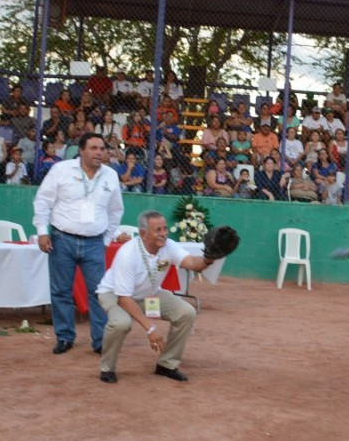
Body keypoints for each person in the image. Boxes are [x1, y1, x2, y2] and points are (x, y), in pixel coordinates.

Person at [95, 211, 220, 384]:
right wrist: (150, 329)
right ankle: (107, 368)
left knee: (187, 312)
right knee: (121, 323)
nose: (164, 233)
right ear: (144, 234)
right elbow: (124, 298)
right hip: (115, 294)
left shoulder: (169, 245)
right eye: (158, 230)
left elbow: (191, 263)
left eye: (165, 228)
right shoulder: (128, 253)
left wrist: (209, 258)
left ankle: (167, 365)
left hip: (148, 293)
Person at [32, 133, 126, 356]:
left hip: (94, 242)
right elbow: (43, 200)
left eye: (102, 149)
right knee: (61, 291)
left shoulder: (111, 175)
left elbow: (116, 211)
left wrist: (105, 239)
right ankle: (64, 337)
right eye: (94, 148)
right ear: (81, 150)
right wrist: (42, 232)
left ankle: (100, 340)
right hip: (61, 239)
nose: (99, 153)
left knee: (100, 293)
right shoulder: (61, 170)